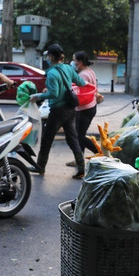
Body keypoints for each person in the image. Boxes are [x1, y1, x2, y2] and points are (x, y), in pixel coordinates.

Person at [29, 43, 86, 179]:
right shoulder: (68, 68)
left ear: (51, 56)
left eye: (48, 55)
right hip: (71, 109)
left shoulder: (52, 74)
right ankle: (81, 168)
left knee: (47, 139)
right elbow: (81, 83)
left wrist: (38, 96)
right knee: (73, 139)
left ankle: (40, 166)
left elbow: (54, 94)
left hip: (58, 111)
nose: (47, 58)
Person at [70, 50, 99, 164]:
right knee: (79, 135)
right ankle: (79, 159)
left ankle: (100, 153)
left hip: (85, 108)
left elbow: (79, 94)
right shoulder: (89, 71)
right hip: (89, 106)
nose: (72, 62)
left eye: (74, 60)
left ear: (80, 62)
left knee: (80, 136)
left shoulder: (83, 75)